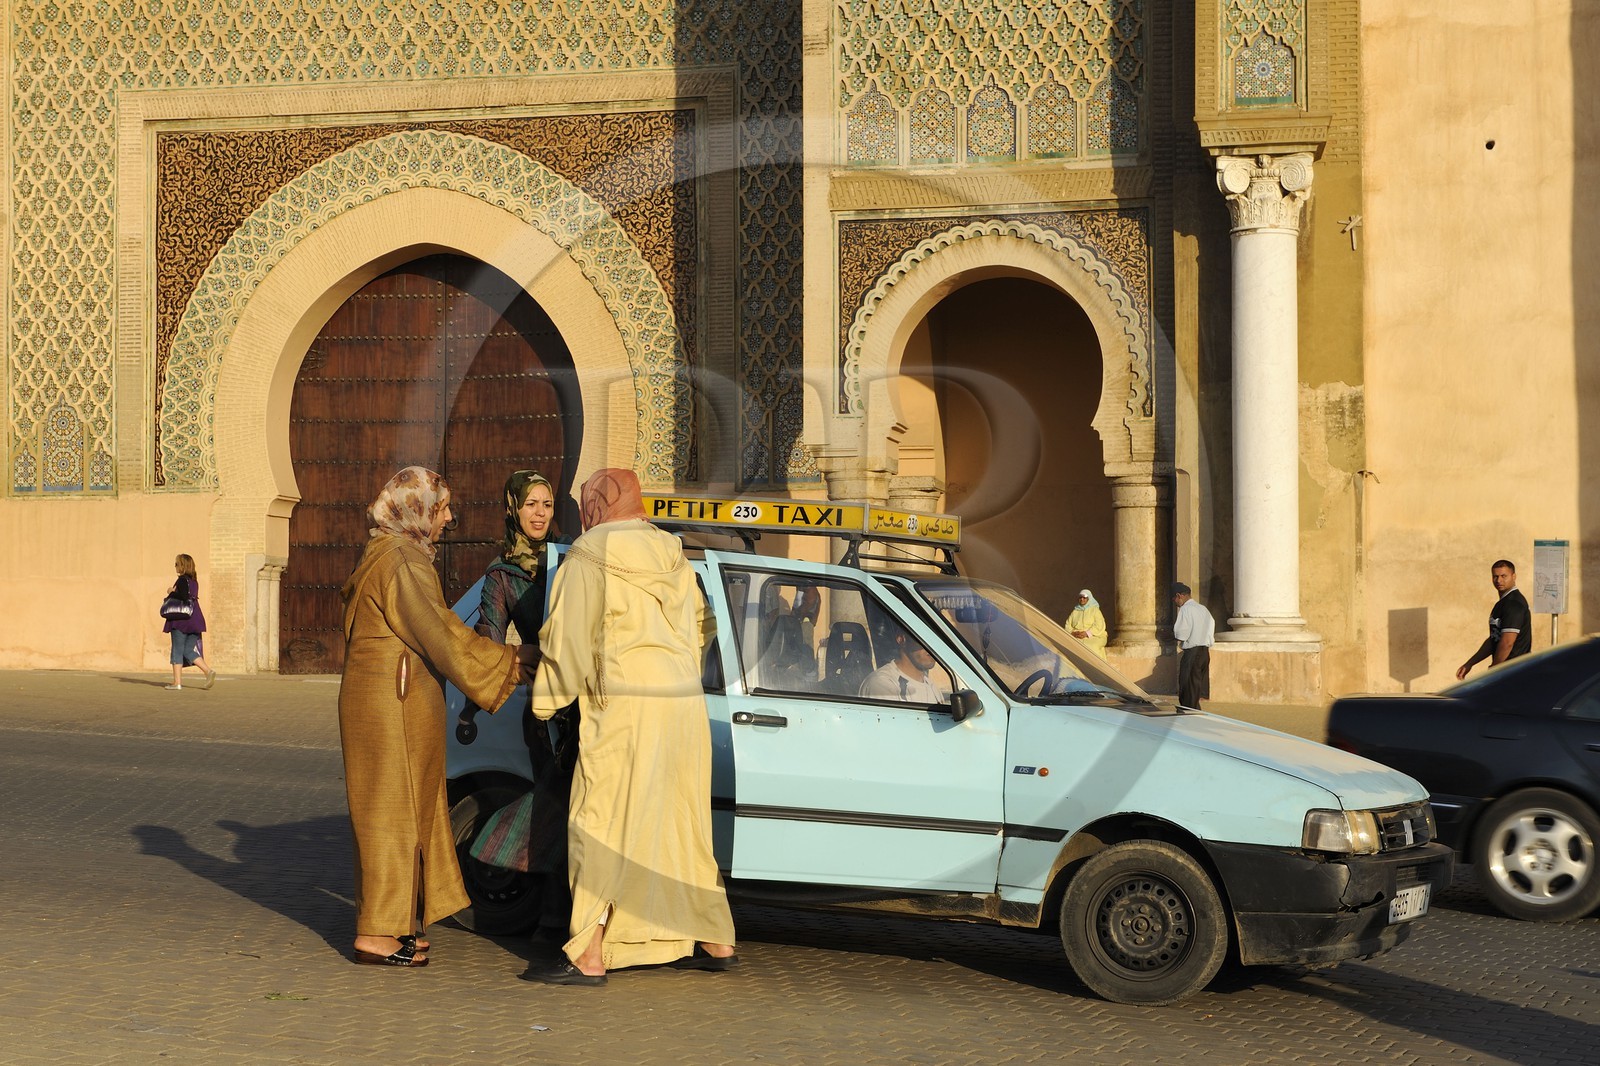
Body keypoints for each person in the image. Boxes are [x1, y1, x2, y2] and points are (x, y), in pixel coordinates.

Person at [518, 468, 737, 986]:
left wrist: (545, 703)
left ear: (595, 504)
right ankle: (715, 939)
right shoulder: (672, 550)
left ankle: (589, 953)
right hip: (682, 705)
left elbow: (569, 637)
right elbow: (703, 626)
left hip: (623, 704)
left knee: (600, 821)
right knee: (680, 823)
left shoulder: (590, 552)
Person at [338, 466, 533, 968]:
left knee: (405, 811)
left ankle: (396, 922)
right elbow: (441, 633)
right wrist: (510, 663)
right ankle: (376, 934)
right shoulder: (401, 559)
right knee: (390, 813)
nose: (448, 518)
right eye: (442, 508)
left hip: (395, 700)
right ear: (417, 509)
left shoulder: (391, 551)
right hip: (392, 705)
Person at [470, 469, 574, 944]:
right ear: (513, 508)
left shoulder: (571, 556)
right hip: (547, 708)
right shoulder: (502, 575)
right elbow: (487, 645)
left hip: (585, 697)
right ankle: (552, 917)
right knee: (554, 802)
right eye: (530, 504)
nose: (540, 514)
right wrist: (521, 655)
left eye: (546, 504)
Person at [1456, 558, 1533, 679]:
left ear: (1514, 576)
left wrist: (1494, 670)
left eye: (1504, 576)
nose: (1499, 580)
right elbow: (1494, 639)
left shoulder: (1513, 603)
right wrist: (1470, 663)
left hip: (1515, 674)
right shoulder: (1502, 603)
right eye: (1495, 576)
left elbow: (1507, 643)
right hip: (1505, 673)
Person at [162, 554, 215, 691]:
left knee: (177, 650)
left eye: (176, 564)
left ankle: (177, 683)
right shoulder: (194, 581)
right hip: (195, 619)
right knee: (188, 650)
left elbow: (184, 596)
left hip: (181, 620)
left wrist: (171, 592)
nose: (175, 566)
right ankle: (208, 671)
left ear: (182, 566)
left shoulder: (182, 580)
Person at [858, 631, 952, 703]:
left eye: (935, 641)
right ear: (901, 639)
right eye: (923, 639)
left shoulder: (931, 686)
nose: (931, 647)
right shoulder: (882, 684)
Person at [1171, 582, 1215, 710]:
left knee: (1187, 690)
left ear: (1179, 596)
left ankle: (1189, 716)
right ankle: (1194, 713)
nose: (1175, 602)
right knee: (1195, 690)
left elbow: (1181, 634)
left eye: (1174, 599)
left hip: (1192, 653)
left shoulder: (1186, 609)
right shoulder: (1203, 609)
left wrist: (1174, 635)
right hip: (1205, 653)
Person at [1067, 588, 1109, 659]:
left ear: (1089, 598)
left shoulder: (1095, 610)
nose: (1082, 599)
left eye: (1084, 598)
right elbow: (1068, 625)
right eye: (1080, 597)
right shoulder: (1075, 611)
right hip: (1078, 637)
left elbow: (1099, 625)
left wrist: (1087, 633)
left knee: (1092, 647)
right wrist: (1073, 633)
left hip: (1095, 636)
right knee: (1071, 646)